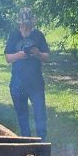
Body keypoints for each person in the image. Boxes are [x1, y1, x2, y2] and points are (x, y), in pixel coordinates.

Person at [4, 8, 50, 141]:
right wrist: (18, 55)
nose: (25, 27)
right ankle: (26, 142)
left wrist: (38, 53)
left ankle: (42, 143)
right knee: (22, 117)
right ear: (19, 23)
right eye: (23, 24)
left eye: (28, 24)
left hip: (36, 82)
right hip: (17, 83)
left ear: (32, 23)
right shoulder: (14, 35)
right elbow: (8, 58)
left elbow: (46, 57)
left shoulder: (38, 36)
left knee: (40, 115)